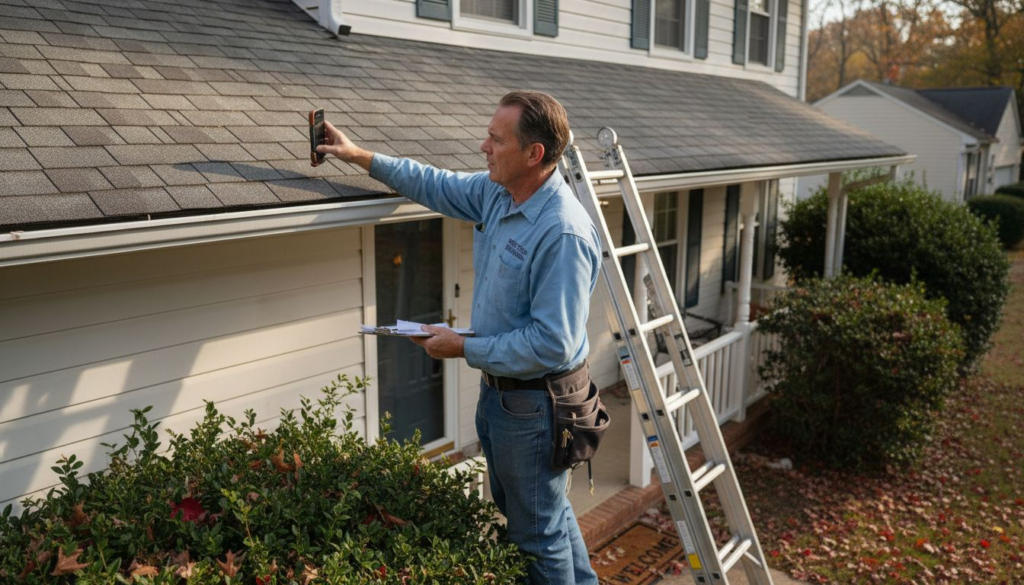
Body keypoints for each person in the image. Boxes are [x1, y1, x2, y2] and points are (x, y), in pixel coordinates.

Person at [316, 91, 601, 585]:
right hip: (505, 397)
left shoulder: (561, 233)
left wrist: (463, 346)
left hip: (537, 407)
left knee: (536, 537)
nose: (483, 146)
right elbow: (434, 183)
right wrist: (358, 155)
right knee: (545, 519)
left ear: (534, 154)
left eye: (496, 138)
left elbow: (551, 344)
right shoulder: (499, 191)